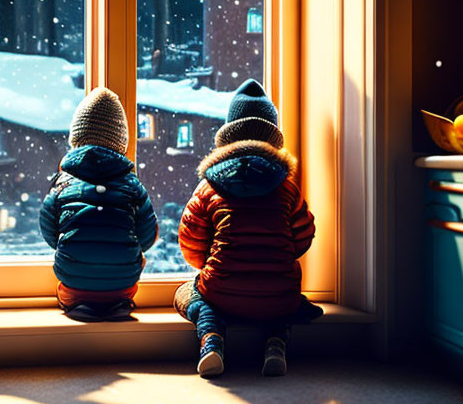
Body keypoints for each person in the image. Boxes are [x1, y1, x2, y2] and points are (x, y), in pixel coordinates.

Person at [174, 79, 322, 377]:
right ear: (274, 142)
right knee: (282, 303)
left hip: (222, 291)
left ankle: (212, 342)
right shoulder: (287, 188)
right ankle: (276, 344)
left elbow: (190, 240)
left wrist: (211, 264)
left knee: (191, 295)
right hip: (278, 290)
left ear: (228, 139)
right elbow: (303, 237)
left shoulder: (210, 186)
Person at [40, 87, 158, 321]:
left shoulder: (62, 184)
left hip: (74, 282)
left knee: (65, 278)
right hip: (122, 283)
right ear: (121, 141)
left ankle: (77, 302)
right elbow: (147, 236)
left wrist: (72, 245)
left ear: (76, 138)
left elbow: (48, 230)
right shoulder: (132, 185)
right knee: (137, 260)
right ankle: (118, 301)